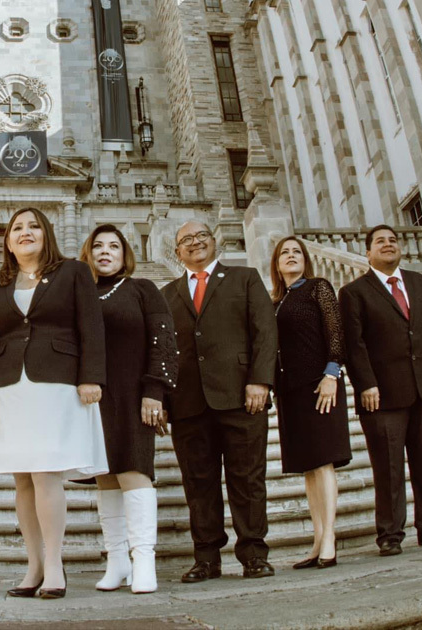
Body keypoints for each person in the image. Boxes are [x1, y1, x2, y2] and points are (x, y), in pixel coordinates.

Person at [0, 209, 109, 600]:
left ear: (46, 234)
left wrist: (91, 376)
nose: (25, 233)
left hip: (57, 383)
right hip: (8, 386)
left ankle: (55, 566)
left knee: (47, 474)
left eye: (33, 227)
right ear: (8, 242)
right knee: (22, 480)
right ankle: (33, 565)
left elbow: (91, 326)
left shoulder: (74, 273)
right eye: (17, 229)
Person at [160, 220, 277, 582]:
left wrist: (260, 380)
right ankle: (207, 558)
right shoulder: (166, 294)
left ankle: (254, 554)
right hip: (188, 404)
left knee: (248, 479)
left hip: (242, 398)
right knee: (199, 484)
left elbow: (265, 332)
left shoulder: (244, 279)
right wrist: (163, 398)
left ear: (215, 242)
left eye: (201, 237)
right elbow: (161, 351)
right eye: (186, 240)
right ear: (177, 252)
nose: (194, 243)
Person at [339, 224, 422, 557]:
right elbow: (355, 344)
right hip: (382, 396)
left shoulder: (421, 283)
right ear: (368, 252)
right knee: (389, 468)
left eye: (393, 240)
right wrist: (365, 384)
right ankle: (390, 534)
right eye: (380, 241)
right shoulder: (354, 292)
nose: (388, 245)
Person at [76, 225, 176, 594]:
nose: (105, 251)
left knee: (134, 471)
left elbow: (164, 338)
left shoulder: (141, 289)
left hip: (135, 394)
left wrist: (156, 390)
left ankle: (143, 559)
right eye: (98, 246)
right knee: (104, 477)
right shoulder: (80, 295)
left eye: (113, 246)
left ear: (124, 253)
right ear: (88, 253)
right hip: (91, 398)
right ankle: (117, 561)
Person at [269, 236, 351, 569]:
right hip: (290, 391)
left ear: (305, 259)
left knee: (323, 462)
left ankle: (330, 537)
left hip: (320, 385)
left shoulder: (318, 288)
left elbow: (336, 332)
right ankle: (317, 540)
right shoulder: (274, 301)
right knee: (308, 469)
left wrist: (332, 374)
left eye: (296, 252)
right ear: (276, 263)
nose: (291, 256)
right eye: (284, 253)